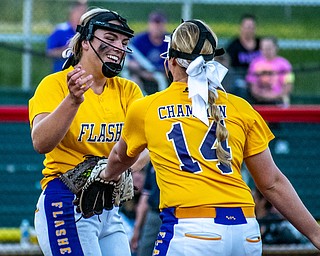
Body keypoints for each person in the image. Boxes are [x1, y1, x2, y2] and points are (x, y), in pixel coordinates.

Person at [97, 19, 320, 255]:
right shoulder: (240, 106)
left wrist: (103, 176)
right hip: (245, 230)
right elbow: (272, 183)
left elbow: (120, 158)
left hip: (191, 229)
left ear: (170, 61)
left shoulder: (147, 107)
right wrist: (315, 234)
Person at [29, 8, 149, 256]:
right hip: (66, 202)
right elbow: (41, 143)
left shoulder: (128, 90)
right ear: (85, 42)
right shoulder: (55, 84)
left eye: (124, 42)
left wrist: (115, 169)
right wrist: (72, 100)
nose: (119, 46)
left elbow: (149, 145)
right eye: (110, 38)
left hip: (108, 206)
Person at [125, 10, 169, 95]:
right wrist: (144, 73)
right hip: (143, 75)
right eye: (154, 23)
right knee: (133, 81)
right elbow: (131, 62)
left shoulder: (169, 40)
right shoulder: (139, 40)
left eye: (160, 23)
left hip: (164, 75)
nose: (157, 26)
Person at [246, 36, 294, 106]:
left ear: (276, 48)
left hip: (279, 100)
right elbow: (253, 87)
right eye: (263, 48)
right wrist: (263, 95)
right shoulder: (255, 64)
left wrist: (275, 96)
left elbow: (289, 85)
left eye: (269, 48)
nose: (266, 51)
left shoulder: (285, 64)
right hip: (258, 101)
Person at [226, 14, 261, 99]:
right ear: (241, 27)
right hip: (240, 77)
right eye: (247, 27)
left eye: (251, 27)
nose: (249, 30)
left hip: (259, 77)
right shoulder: (234, 46)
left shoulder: (261, 44)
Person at [46, 1, 87, 72]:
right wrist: (70, 49)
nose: (81, 14)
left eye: (84, 12)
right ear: (72, 12)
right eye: (79, 11)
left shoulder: (86, 31)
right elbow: (50, 52)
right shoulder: (60, 30)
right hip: (61, 73)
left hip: (81, 75)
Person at [130, 164, 161, 256]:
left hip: (177, 214)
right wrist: (137, 228)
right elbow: (146, 194)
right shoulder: (153, 162)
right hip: (154, 213)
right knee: (144, 250)